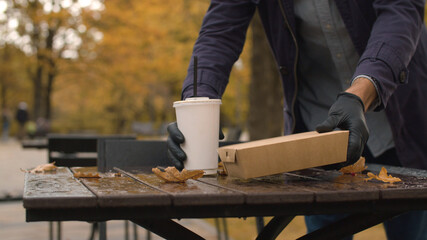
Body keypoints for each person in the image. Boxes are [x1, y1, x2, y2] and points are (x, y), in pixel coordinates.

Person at [167, 1, 427, 239]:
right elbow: (219, 34)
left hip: (404, 122)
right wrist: (196, 104)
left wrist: (362, 92)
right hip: (319, 134)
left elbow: (401, 11)